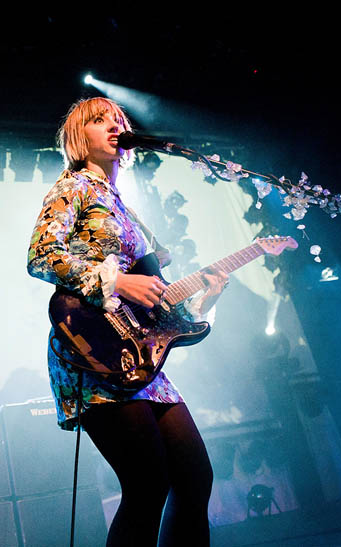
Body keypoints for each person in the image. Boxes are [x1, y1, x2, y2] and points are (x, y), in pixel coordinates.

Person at [27, 97, 228, 546]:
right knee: (147, 484)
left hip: (140, 358)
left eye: (120, 120)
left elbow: (157, 303)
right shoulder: (72, 188)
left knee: (195, 476)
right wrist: (116, 282)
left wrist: (207, 300)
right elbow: (41, 256)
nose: (116, 127)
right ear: (80, 137)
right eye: (101, 121)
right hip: (93, 352)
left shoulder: (126, 208)